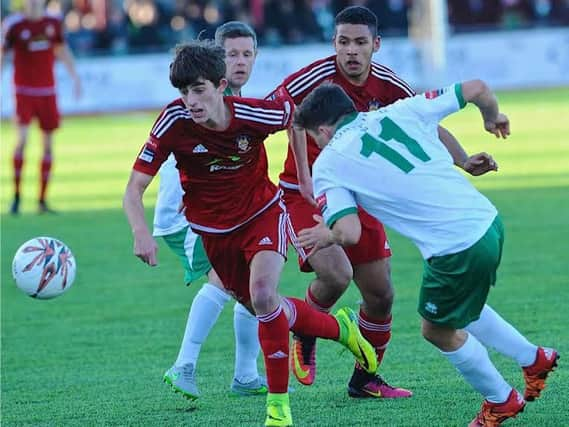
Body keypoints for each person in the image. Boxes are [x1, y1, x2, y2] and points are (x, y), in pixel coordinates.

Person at [123, 39, 378, 427]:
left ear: (221, 85)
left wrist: (305, 177)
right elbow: (134, 189)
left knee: (262, 297)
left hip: (262, 213)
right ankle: (340, 329)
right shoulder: (174, 121)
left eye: (199, 89)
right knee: (268, 308)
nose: (190, 100)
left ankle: (278, 409)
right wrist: (141, 231)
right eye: (183, 91)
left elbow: (295, 118)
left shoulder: (252, 114)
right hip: (214, 233)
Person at [294, 80, 559, 426]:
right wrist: (492, 117)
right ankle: (534, 359)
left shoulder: (328, 164)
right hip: (487, 221)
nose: (318, 143)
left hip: (455, 246)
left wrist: (324, 234)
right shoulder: (398, 111)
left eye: (314, 137)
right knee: (462, 308)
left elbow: (349, 232)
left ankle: (501, 401)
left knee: (436, 329)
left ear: (324, 130)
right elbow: (477, 88)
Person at [268, 5, 494, 398]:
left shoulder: (388, 84)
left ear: (376, 44)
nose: (350, 51)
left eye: (359, 42)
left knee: (380, 294)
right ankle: (306, 328)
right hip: (306, 193)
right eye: (343, 42)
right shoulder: (315, 77)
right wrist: (303, 174)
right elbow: (287, 115)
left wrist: (462, 161)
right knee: (336, 275)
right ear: (333, 43)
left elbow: (424, 123)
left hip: (360, 194)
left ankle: (365, 379)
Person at [156, 21, 268, 400]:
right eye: (231, 54)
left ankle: (246, 375)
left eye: (246, 54)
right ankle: (183, 365)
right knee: (225, 280)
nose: (239, 61)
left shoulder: (239, 103)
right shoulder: (199, 101)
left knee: (256, 282)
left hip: (222, 211)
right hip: (190, 215)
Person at [1, 0, 81, 214]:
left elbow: (62, 50)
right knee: (22, 141)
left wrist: (75, 77)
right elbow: (3, 54)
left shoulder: (53, 22)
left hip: (47, 91)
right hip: (23, 91)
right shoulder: (14, 24)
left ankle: (42, 200)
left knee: (47, 146)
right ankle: (17, 197)